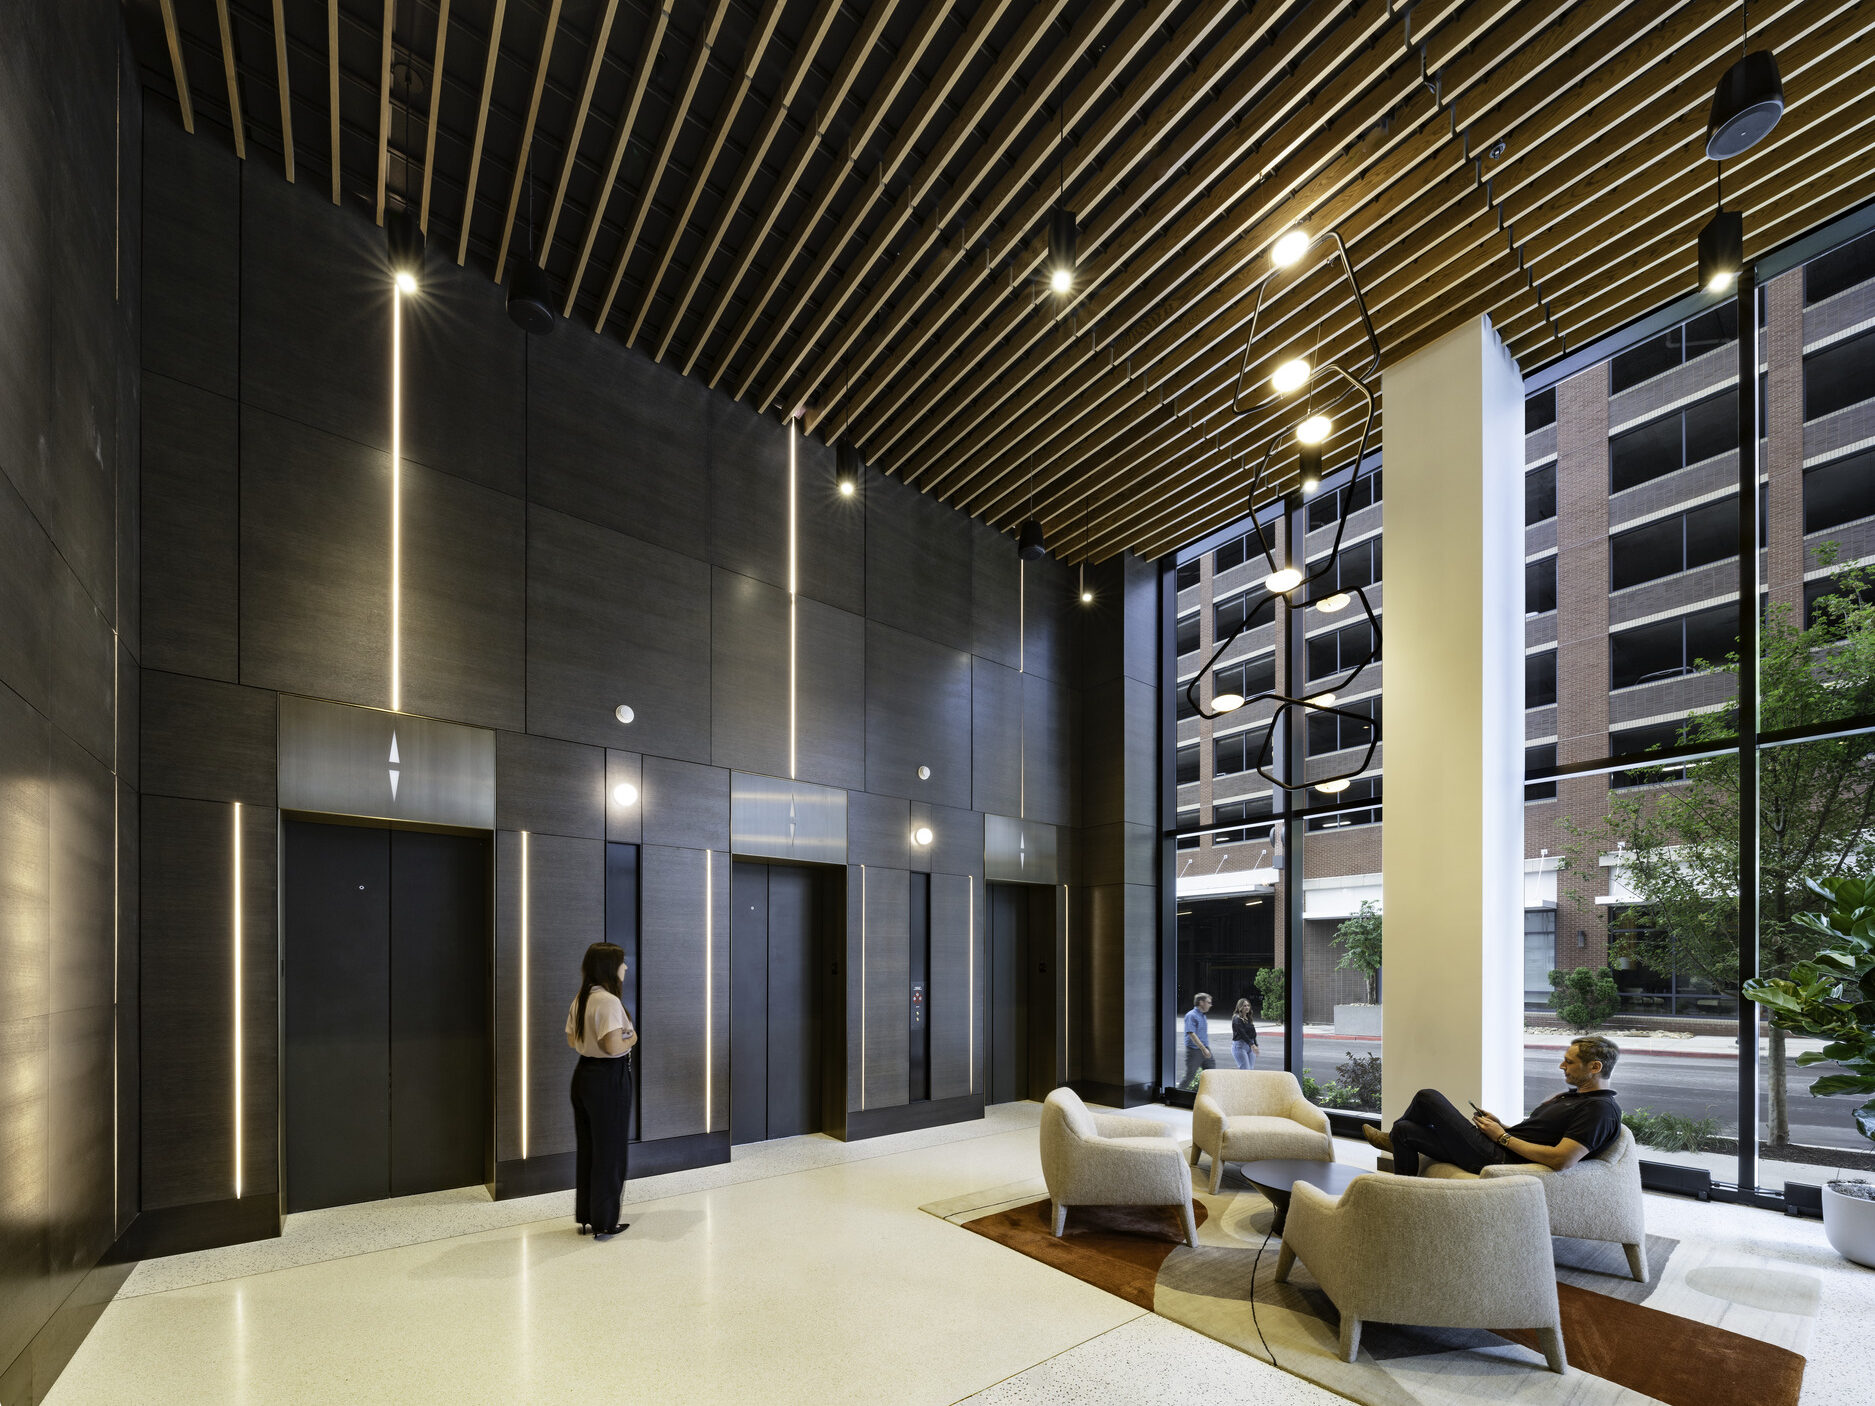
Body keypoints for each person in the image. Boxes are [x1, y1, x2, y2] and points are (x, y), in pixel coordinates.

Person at [1363, 1035, 1623, 1177]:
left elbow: (1562, 1159)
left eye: (1569, 1062)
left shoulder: (1600, 1109)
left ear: (1595, 1067)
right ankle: (1404, 1198)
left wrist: (1503, 1138)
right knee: (1405, 1131)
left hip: (1499, 1158)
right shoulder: (1573, 1098)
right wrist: (1502, 1126)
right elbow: (1539, 1136)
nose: (1561, 1066)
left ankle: (1389, 1139)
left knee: (1427, 1096)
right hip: (1496, 1146)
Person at [566, 942, 638, 1240]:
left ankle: (587, 1215)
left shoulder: (582, 999)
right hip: (608, 1079)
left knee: (590, 1149)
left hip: (583, 1075)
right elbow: (613, 1045)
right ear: (610, 967)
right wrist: (631, 1038)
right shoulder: (608, 1001)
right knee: (610, 1153)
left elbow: (572, 1040)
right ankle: (605, 1221)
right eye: (622, 963)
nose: (626, 968)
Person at [1182, 993, 1215, 1088]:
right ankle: (1177, 1095)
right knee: (1190, 1076)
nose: (1210, 1005)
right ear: (1201, 1002)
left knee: (1211, 1074)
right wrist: (1203, 1049)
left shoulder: (1203, 1016)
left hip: (1205, 1048)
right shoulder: (1191, 1015)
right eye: (1208, 1002)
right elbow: (1191, 1034)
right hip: (1194, 1051)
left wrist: (1205, 1048)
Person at [1230, 997, 1259, 1070]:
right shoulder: (1236, 1018)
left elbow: (1253, 1033)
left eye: (1248, 1005)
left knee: (1250, 1069)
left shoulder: (1248, 1017)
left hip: (1250, 1045)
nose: (1247, 1007)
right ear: (1240, 1007)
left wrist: (1255, 1044)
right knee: (1245, 1069)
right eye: (1244, 1006)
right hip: (1240, 1046)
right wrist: (1252, 1045)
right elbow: (1242, 1033)